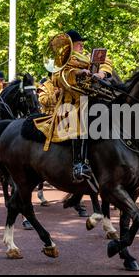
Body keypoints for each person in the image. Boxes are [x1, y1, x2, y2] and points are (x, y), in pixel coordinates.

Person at [35, 29, 113, 182]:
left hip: (91, 97)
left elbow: (107, 62)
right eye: (78, 44)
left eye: (81, 44)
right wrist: (78, 73)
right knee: (80, 120)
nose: (81, 46)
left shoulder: (88, 57)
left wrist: (101, 74)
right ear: (70, 45)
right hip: (70, 103)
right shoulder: (62, 60)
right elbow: (57, 79)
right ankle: (79, 163)